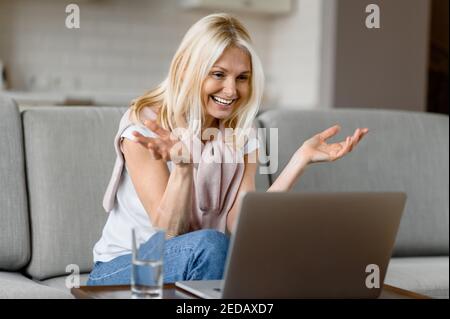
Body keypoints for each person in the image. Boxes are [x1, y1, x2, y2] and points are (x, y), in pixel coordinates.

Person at [87, 13, 368, 286]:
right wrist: (183, 166)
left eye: (242, 78)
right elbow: (168, 232)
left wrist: (299, 161)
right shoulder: (146, 126)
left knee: (289, 249)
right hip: (126, 268)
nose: (232, 90)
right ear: (187, 69)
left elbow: (240, 225)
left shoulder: (241, 133)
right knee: (211, 244)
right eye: (219, 74)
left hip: (203, 260)